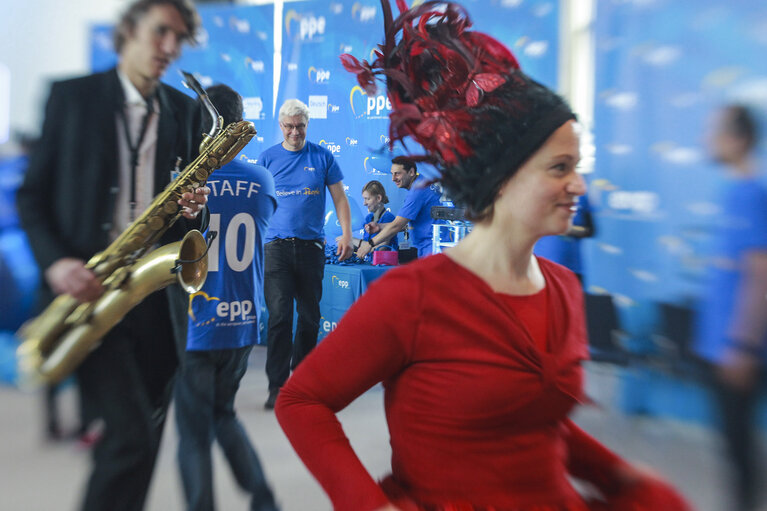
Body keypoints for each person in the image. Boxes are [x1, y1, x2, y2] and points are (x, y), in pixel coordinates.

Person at [276, 2, 691, 510]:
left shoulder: (561, 288)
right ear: (502, 176)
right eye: (559, 167)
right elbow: (302, 400)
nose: (578, 184)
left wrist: (615, 474)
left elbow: (537, 420)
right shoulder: (416, 296)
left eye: (576, 165)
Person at [16, 1, 209, 510]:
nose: (169, 48)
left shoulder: (184, 110)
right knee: (129, 438)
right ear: (127, 31)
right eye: (160, 32)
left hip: (150, 302)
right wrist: (56, 262)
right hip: (89, 292)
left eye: (179, 39)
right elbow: (31, 196)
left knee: (143, 440)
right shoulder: (72, 98)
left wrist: (194, 210)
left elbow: (189, 222)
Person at [174, 84, 279, 511]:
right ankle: (264, 499)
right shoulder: (262, 179)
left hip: (197, 325)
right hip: (242, 321)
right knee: (224, 415)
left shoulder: (185, 184)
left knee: (194, 436)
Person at [694, 104, 767, 511]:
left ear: (738, 139)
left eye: (715, 131)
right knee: (732, 447)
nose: (708, 139)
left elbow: (760, 272)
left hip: (735, 348)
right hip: (718, 344)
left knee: (740, 452)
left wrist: (741, 344)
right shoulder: (733, 191)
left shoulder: (753, 193)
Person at [258, 98, 353, 409]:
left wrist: (347, 233)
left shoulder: (323, 156)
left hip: (311, 248)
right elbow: (258, 202)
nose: (295, 132)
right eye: (289, 126)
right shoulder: (268, 158)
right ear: (281, 127)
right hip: (276, 249)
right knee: (280, 317)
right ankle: (276, 386)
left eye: (300, 126)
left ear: (307, 125)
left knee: (310, 319)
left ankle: (301, 381)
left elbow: (340, 199)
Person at [356, 156, 441, 260]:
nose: (393, 178)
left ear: (411, 172)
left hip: (434, 250)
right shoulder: (420, 183)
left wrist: (369, 244)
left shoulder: (418, 191)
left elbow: (397, 225)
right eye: (392, 174)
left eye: (397, 173)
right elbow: (403, 225)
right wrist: (379, 226)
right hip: (431, 249)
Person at [534, 193, 594, 282]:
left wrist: (566, 229)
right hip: (543, 266)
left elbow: (590, 231)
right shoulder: (541, 194)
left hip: (573, 268)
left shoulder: (581, 197)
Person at [358, 180, 398, 252]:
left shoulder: (389, 218)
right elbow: (365, 246)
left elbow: (380, 248)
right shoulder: (368, 218)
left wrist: (350, 240)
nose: (364, 203)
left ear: (379, 198)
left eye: (367, 199)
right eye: (364, 199)